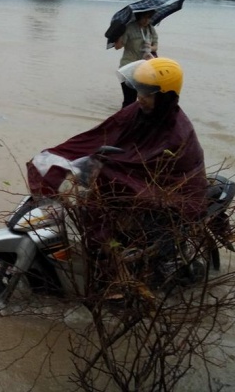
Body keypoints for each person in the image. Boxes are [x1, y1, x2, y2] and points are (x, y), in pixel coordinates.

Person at [27, 58, 207, 292]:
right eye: (139, 90)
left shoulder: (174, 134)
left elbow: (139, 171)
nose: (140, 97)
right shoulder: (137, 111)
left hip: (168, 198)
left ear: (165, 97)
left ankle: (134, 276)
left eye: (147, 93)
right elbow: (99, 135)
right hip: (133, 190)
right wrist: (59, 156)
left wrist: (105, 169)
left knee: (144, 246)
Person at [114, 10, 158, 107]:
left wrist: (150, 48)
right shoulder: (129, 28)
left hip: (144, 68)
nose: (147, 20)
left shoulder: (150, 29)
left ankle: (137, 120)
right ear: (139, 16)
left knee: (145, 100)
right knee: (129, 100)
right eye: (145, 17)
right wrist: (117, 34)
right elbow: (118, 46)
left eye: (149, 17)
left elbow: (156, 46)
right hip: (128, 67)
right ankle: (124, 120)